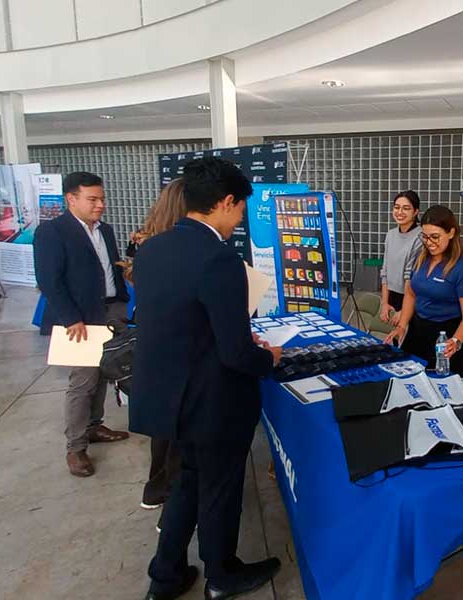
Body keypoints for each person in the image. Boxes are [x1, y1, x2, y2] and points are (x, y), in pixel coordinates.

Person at [130, 157, 283, 600]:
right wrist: (268, 357)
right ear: (226, 202)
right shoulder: (220, 260)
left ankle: (165, 575)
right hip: (213, 403)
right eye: (240, 211)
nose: (239, 221)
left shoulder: (153, 249)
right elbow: (236, 354)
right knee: (219, 492)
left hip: (169, 398)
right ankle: (222, 574)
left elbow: (177, 322)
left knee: (188, 484)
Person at [33, 171, 130, 478]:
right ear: (70, 199)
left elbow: (109, 267)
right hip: (80, 317)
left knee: (106, 372)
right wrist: (70, 317)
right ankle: (75, 448)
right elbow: (49, 280)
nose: (100, 204)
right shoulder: (53, 232)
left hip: (111, 309)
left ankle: (94, 426)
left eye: (102, 198)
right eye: (92, 199)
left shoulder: (107, 230)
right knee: (83, 381)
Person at [121, 179, 188, 512]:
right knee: (178, 434)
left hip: (152, 346)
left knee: (164, 430)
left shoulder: (147, 243)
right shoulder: (175, 249)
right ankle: (172, 504)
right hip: (175, 350)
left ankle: (156, 489)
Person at [385, 205, 463, 376]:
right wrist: (402, 326)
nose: (429, 243)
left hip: (446, 336)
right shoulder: (420, 259)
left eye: (435, 237)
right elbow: (411, 293)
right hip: (418, 331)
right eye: (425, 237)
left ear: (451, 233)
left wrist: (455, 341)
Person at [379, 190, 422, 324]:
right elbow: (384, 271)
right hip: (392, 296)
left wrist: (405, 308)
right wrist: (384, 303)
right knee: (395, 340)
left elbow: (411, 276)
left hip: (412, 298)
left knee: (408, 342)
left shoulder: (420, 236)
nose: (400, 212)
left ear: (415, 212)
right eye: (397, 207)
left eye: (406, 208)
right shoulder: (390, 235)